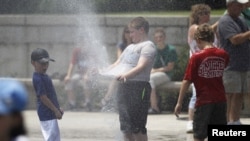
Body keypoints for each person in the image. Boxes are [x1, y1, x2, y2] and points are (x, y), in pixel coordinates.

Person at [101, 17, 156, 141]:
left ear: (141, 30)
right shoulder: (129, 48)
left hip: (139, 88)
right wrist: (101, 71)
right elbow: (116, 64)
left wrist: (126, 76)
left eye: (132, 32)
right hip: (124, 88)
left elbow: (141, 66)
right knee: (126, 128)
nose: (130, 35)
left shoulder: (148, 46)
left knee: (138, 128)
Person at [174, 23, 229, 141]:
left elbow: (186, 81)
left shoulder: (196, 57)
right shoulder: (223, 55)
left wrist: (179, 102)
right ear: (213, 38)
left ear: (198, 40)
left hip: (203, 101)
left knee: (198, 136)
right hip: (220, 100)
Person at [217, 0, 250, 125]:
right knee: (229, 95)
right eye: (239, 5)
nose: (242, 7)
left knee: (239, 94)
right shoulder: (225, 21)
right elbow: (234, 40)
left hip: (243, 65)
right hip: (230, 66)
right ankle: (223, 122)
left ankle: (235, 121)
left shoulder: (240, 19)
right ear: (230, 5)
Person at [186, 3, 213, 133]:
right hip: (197, 65)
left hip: (207, 65)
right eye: (205, 13)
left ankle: (204, 120)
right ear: (199, 15)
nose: (208, 16)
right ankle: (190, 121)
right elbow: (201, 34)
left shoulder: (208, 29)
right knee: (196, 94)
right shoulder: (194, 28)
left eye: (208, 13)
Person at [31, 48, 63, 141]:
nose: (45, 67)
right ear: (33, 63)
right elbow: (43, 97)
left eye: (46, 63)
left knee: (55, 137)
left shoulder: (44, 76)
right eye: (42, 64)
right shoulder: (38, 78)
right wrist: (55, 110)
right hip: (46, 113)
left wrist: (57, 108)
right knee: (51, 138)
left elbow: (50, 95)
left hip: (50, 112)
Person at [101, 25, 132, 110]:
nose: (128, 34)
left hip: (131, 68)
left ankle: (107, 99)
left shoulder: (136, 44)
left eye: (130, 32)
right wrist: (108, 68)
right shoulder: (121, 44)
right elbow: (119, 59)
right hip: (122, 67)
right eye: (126, 32)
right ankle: (108, 99)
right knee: (116, 78)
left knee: (117, 78)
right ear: (124, 33)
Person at [148, 27, 178, 114]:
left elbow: (169, 67)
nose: (159, 39)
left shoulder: (171, 50)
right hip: (155, 74)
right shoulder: (153, 50)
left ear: (164, 37)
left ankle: (154, 107)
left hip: (166, 75)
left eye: (160, 37)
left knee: (150, 80)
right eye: (156, 37)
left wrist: (155, 71)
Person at [64, 43, 97, 111]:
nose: (84, 46)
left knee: (86, 81)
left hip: (90, 73)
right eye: (82, 44)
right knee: (69, 81)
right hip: (79, 73)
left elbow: (92, 65)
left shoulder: (91, 51)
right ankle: (72, 104)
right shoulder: (77, 51)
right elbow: (72, 64)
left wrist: (87, 74)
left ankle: (88, 103)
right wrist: (68, 75)